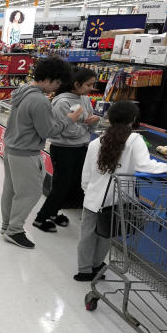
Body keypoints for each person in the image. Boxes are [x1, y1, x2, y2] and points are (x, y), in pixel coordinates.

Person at [75, 101, 167, 281]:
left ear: (109, 118)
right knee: (106, 234)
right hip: (119, 199)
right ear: (133, 119)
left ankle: (84, 271)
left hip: (93, 199)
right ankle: (97, 266)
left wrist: (88, 192)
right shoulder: (134, 139)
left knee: (88, 235)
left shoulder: (96, 142)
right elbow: (146, 165)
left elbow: (86, 174)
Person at [0, 56, 87, 249]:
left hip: (11, 149)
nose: (57, 87)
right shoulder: (39, 100)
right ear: (48, 79)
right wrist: (70, 119)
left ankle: (7, 225)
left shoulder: (22, 90)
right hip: (26, 153)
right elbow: (49, 131)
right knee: (30, 193)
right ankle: (14, 230)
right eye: (57, 82)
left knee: (11, 190)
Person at [33, 68, 100, 232]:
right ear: (76, 84)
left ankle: (54, 213)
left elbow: (89, 121)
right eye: (89, 84)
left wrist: (91, 123)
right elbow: (67, 130)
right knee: (60, 185)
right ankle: (41, 218)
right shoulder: (62, 102)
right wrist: (86, 126)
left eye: (93, 84)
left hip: (80, 147)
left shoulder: (84, 99)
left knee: (71, 184)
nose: (92, 88)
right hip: (63, 149)